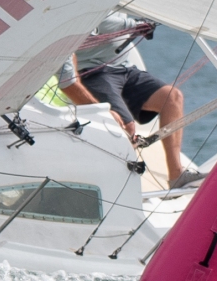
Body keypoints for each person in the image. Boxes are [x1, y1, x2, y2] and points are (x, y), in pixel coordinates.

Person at [58, 10, 200, 189]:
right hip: (92, 72)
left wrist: (139, 25)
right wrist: (135, 25)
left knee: (172, 97)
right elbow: (100, 23)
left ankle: (177, 176)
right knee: (126, 126)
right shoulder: (72, 16)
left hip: (124, 68)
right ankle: (124, 188)